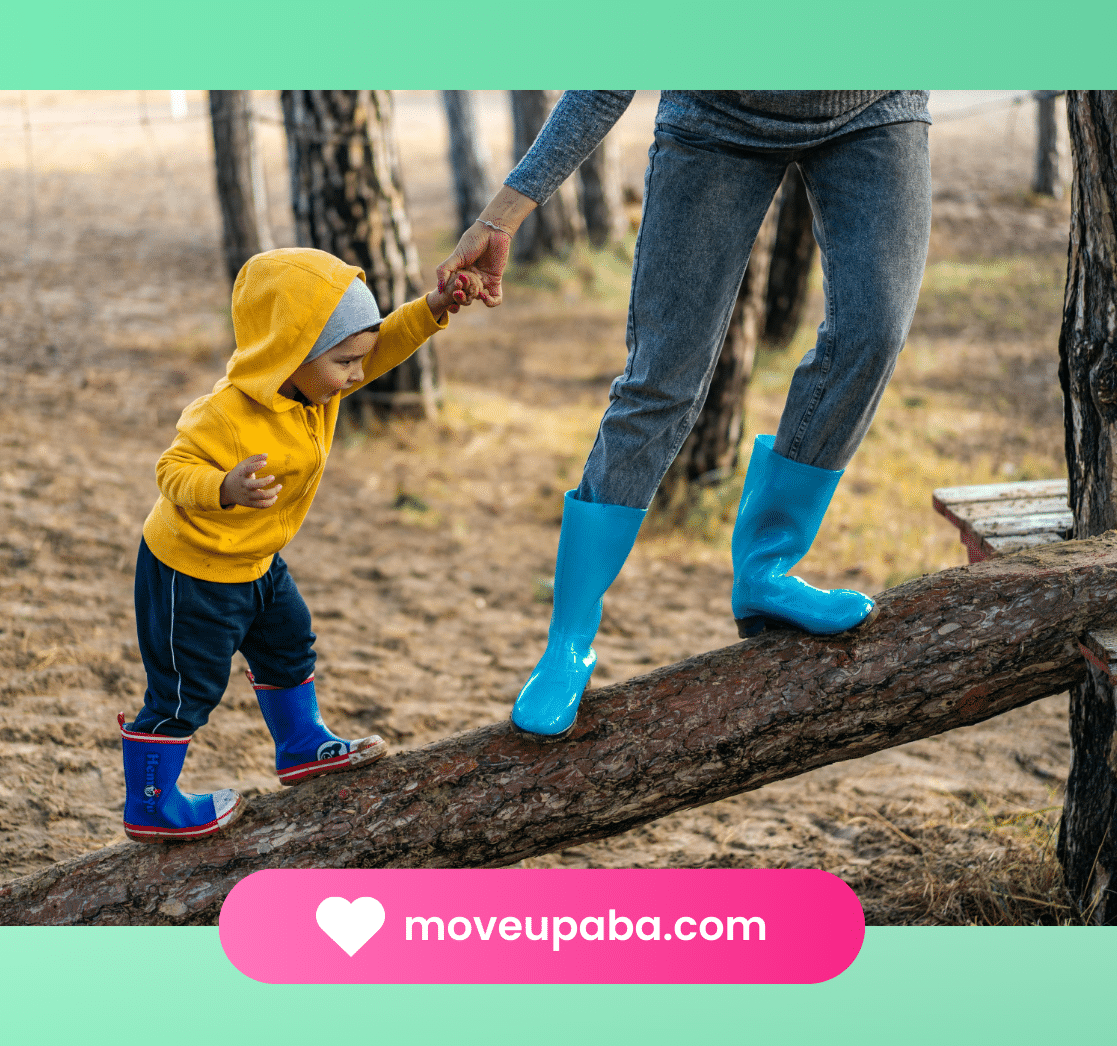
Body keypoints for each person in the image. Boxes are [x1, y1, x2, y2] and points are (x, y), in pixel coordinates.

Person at [437, 91, 933, 738]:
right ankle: (568, 643)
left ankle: (767, 570)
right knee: (661, 382)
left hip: (876, 105)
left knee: (871, 336)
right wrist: (504, 216)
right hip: (717, 118)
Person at [119, 248, 474, 842]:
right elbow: (171, 469)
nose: (358, 374)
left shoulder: (317, 387)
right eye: (344, 362)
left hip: (257, 561)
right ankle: (151, 803)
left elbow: (378, 347)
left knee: (289, 640)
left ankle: (301, 745)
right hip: (193, 571)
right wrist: (223, 487)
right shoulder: (225, 415)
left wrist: (433, 309)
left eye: (358, 360)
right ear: (291, 353)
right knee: (187, 689)